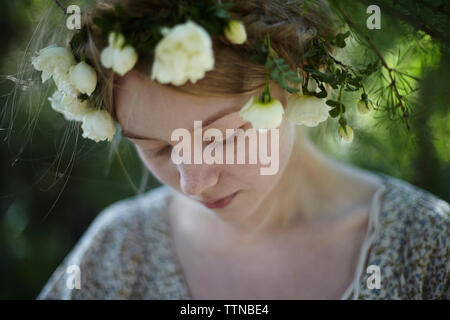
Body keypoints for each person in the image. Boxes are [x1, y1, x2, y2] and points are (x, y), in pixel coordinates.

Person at [20, 0, 449, 299]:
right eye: (159, 150)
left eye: (222, 137)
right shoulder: (115, 254)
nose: (193, 184)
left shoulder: (427, 248)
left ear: (298, 78)